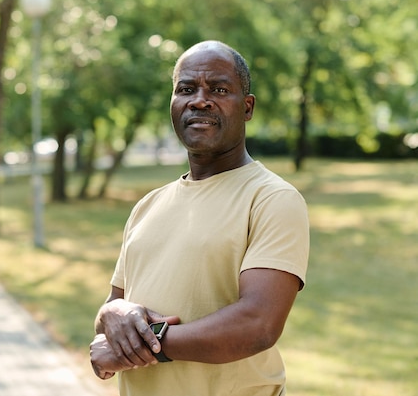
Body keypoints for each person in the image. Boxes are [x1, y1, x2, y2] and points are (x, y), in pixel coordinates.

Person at [89, 40, 310, 396]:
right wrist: (113, 316)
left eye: (219, 89)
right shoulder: (148, 206)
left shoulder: (271, 198)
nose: (200, 100)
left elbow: (258, 324)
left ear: (247, 107)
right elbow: (112, 306)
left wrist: (147, 343)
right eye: (186, 89)